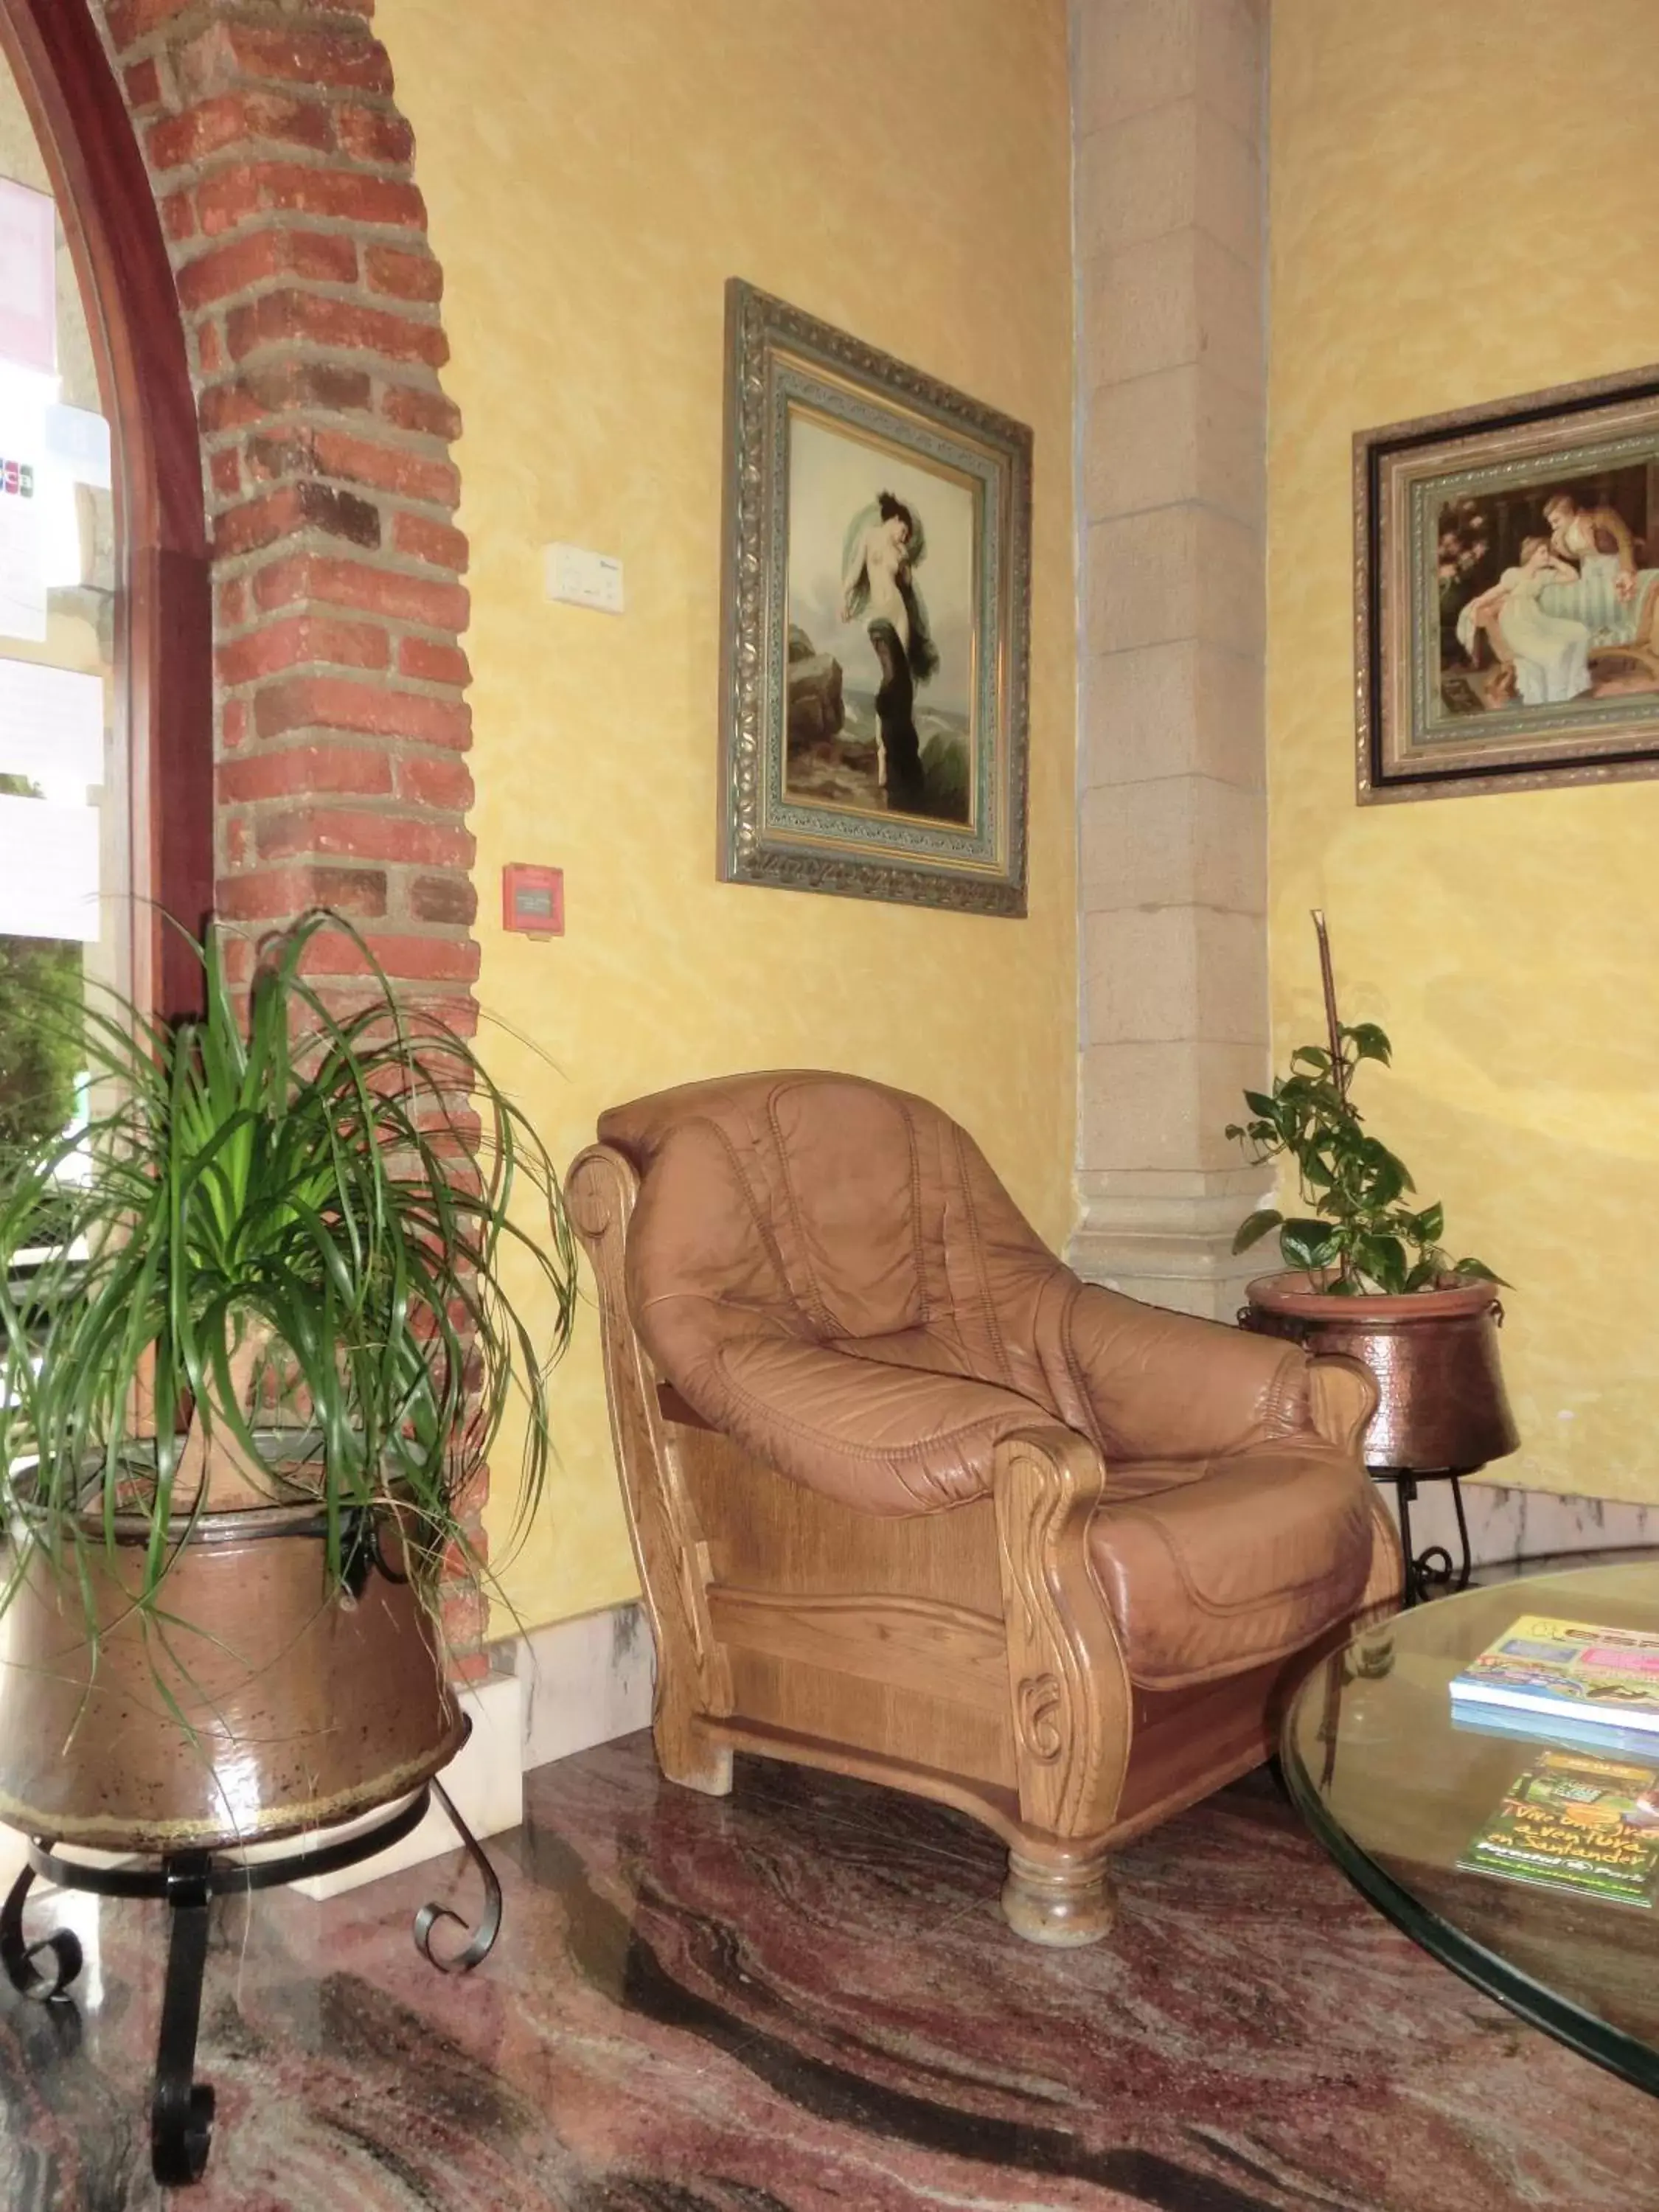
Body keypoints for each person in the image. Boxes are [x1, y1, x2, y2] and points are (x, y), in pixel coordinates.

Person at [841, 491, 938, 810]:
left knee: (901, 689)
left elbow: (906, 589)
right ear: (896, 519)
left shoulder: (901, 552)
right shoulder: (871, 537)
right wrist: (844, 598)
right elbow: (856, 569)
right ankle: (889, 754)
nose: (905, 537)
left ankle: (886, 759)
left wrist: (906, 566)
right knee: (892, 682)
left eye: (908, 536)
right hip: (880, 617)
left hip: (901, 617)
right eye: (904, 531)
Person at [1457, 536, 1592, 706]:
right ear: (1531, 554)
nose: (1546, 556)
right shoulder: (1514, 574)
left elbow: (1573, 576)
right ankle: (1554, 694)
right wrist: (1479, 603)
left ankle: (1569, 690)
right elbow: (1497, 591)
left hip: (1535, 618)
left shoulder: (1543, 576)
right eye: (1542, 552)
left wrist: (1555, 561)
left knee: (1578, 631)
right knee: (1552, 650)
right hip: (1515, 620)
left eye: (1548, 552)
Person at [1540, 487, 1659, 650]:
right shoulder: (1562, 536)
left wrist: (1626, 569)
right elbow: (1575, 554)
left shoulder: (1600, 518)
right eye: (1551, 523)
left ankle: (1629, 639)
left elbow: (1624, 540)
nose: (1554, 527)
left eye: (1557, 521)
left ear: (1570, 514)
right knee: (1595, 602)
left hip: (1610, 561)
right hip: (1589, 566)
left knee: (1618, 597)